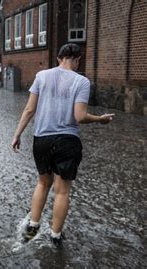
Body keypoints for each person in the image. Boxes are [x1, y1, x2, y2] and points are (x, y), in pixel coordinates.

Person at [11, 43, 114, 247]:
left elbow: (30, 109)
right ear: (77, 59)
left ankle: (32, 226)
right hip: (67, 141)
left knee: (42, 183)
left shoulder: (41, 76)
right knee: (62, 191)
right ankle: (55, 236)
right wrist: (100, 119)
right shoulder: (82, 81)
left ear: (59, 58)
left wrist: (17, 134)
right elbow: (80, 116)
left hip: (41, 140)